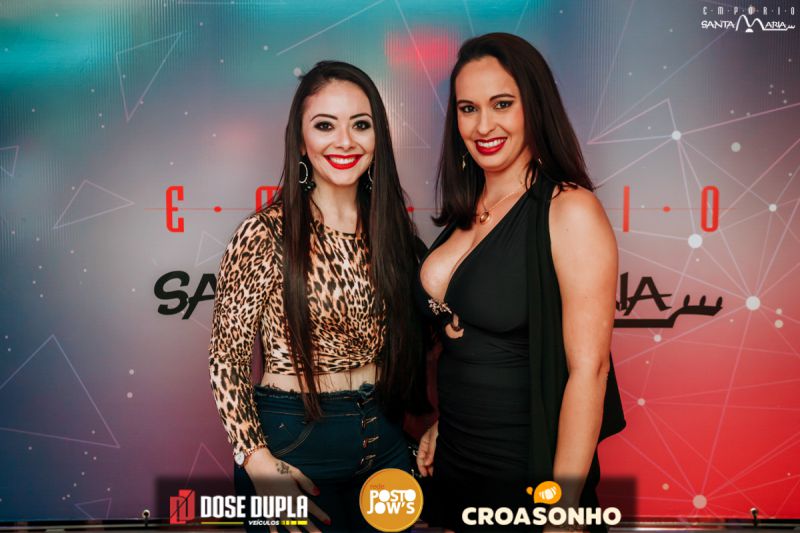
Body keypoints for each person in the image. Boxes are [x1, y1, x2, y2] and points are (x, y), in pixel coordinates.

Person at [415, 33, 626, 532]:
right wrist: (447, 423)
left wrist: (564, 507)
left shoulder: (569, 209)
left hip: (524, 471)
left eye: (502, 104)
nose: (483, 126)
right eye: (468, 109)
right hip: (455, 460)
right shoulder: (468, 210)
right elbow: (480, 342)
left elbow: (589, 370)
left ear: (534, 105)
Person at [208, 60, 429, 533]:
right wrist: (256, 460)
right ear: (301, 140)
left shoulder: (394, 233)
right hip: (294, 446)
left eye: (360, 125)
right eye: (325, 125)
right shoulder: (265, 233)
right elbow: (227, 358)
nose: (344, 141)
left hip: (385, 445)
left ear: (378, 136)